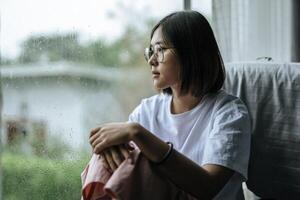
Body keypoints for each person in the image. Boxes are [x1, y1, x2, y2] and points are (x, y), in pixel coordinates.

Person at [89, 10, 251, 200]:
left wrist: (138, 133)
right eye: (150, 51)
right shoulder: (147, 111)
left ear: (191, 52)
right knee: (103, 158)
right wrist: (106, 144)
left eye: (160, 50)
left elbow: (207, 187)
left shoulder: (229, 114)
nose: (151, 60)